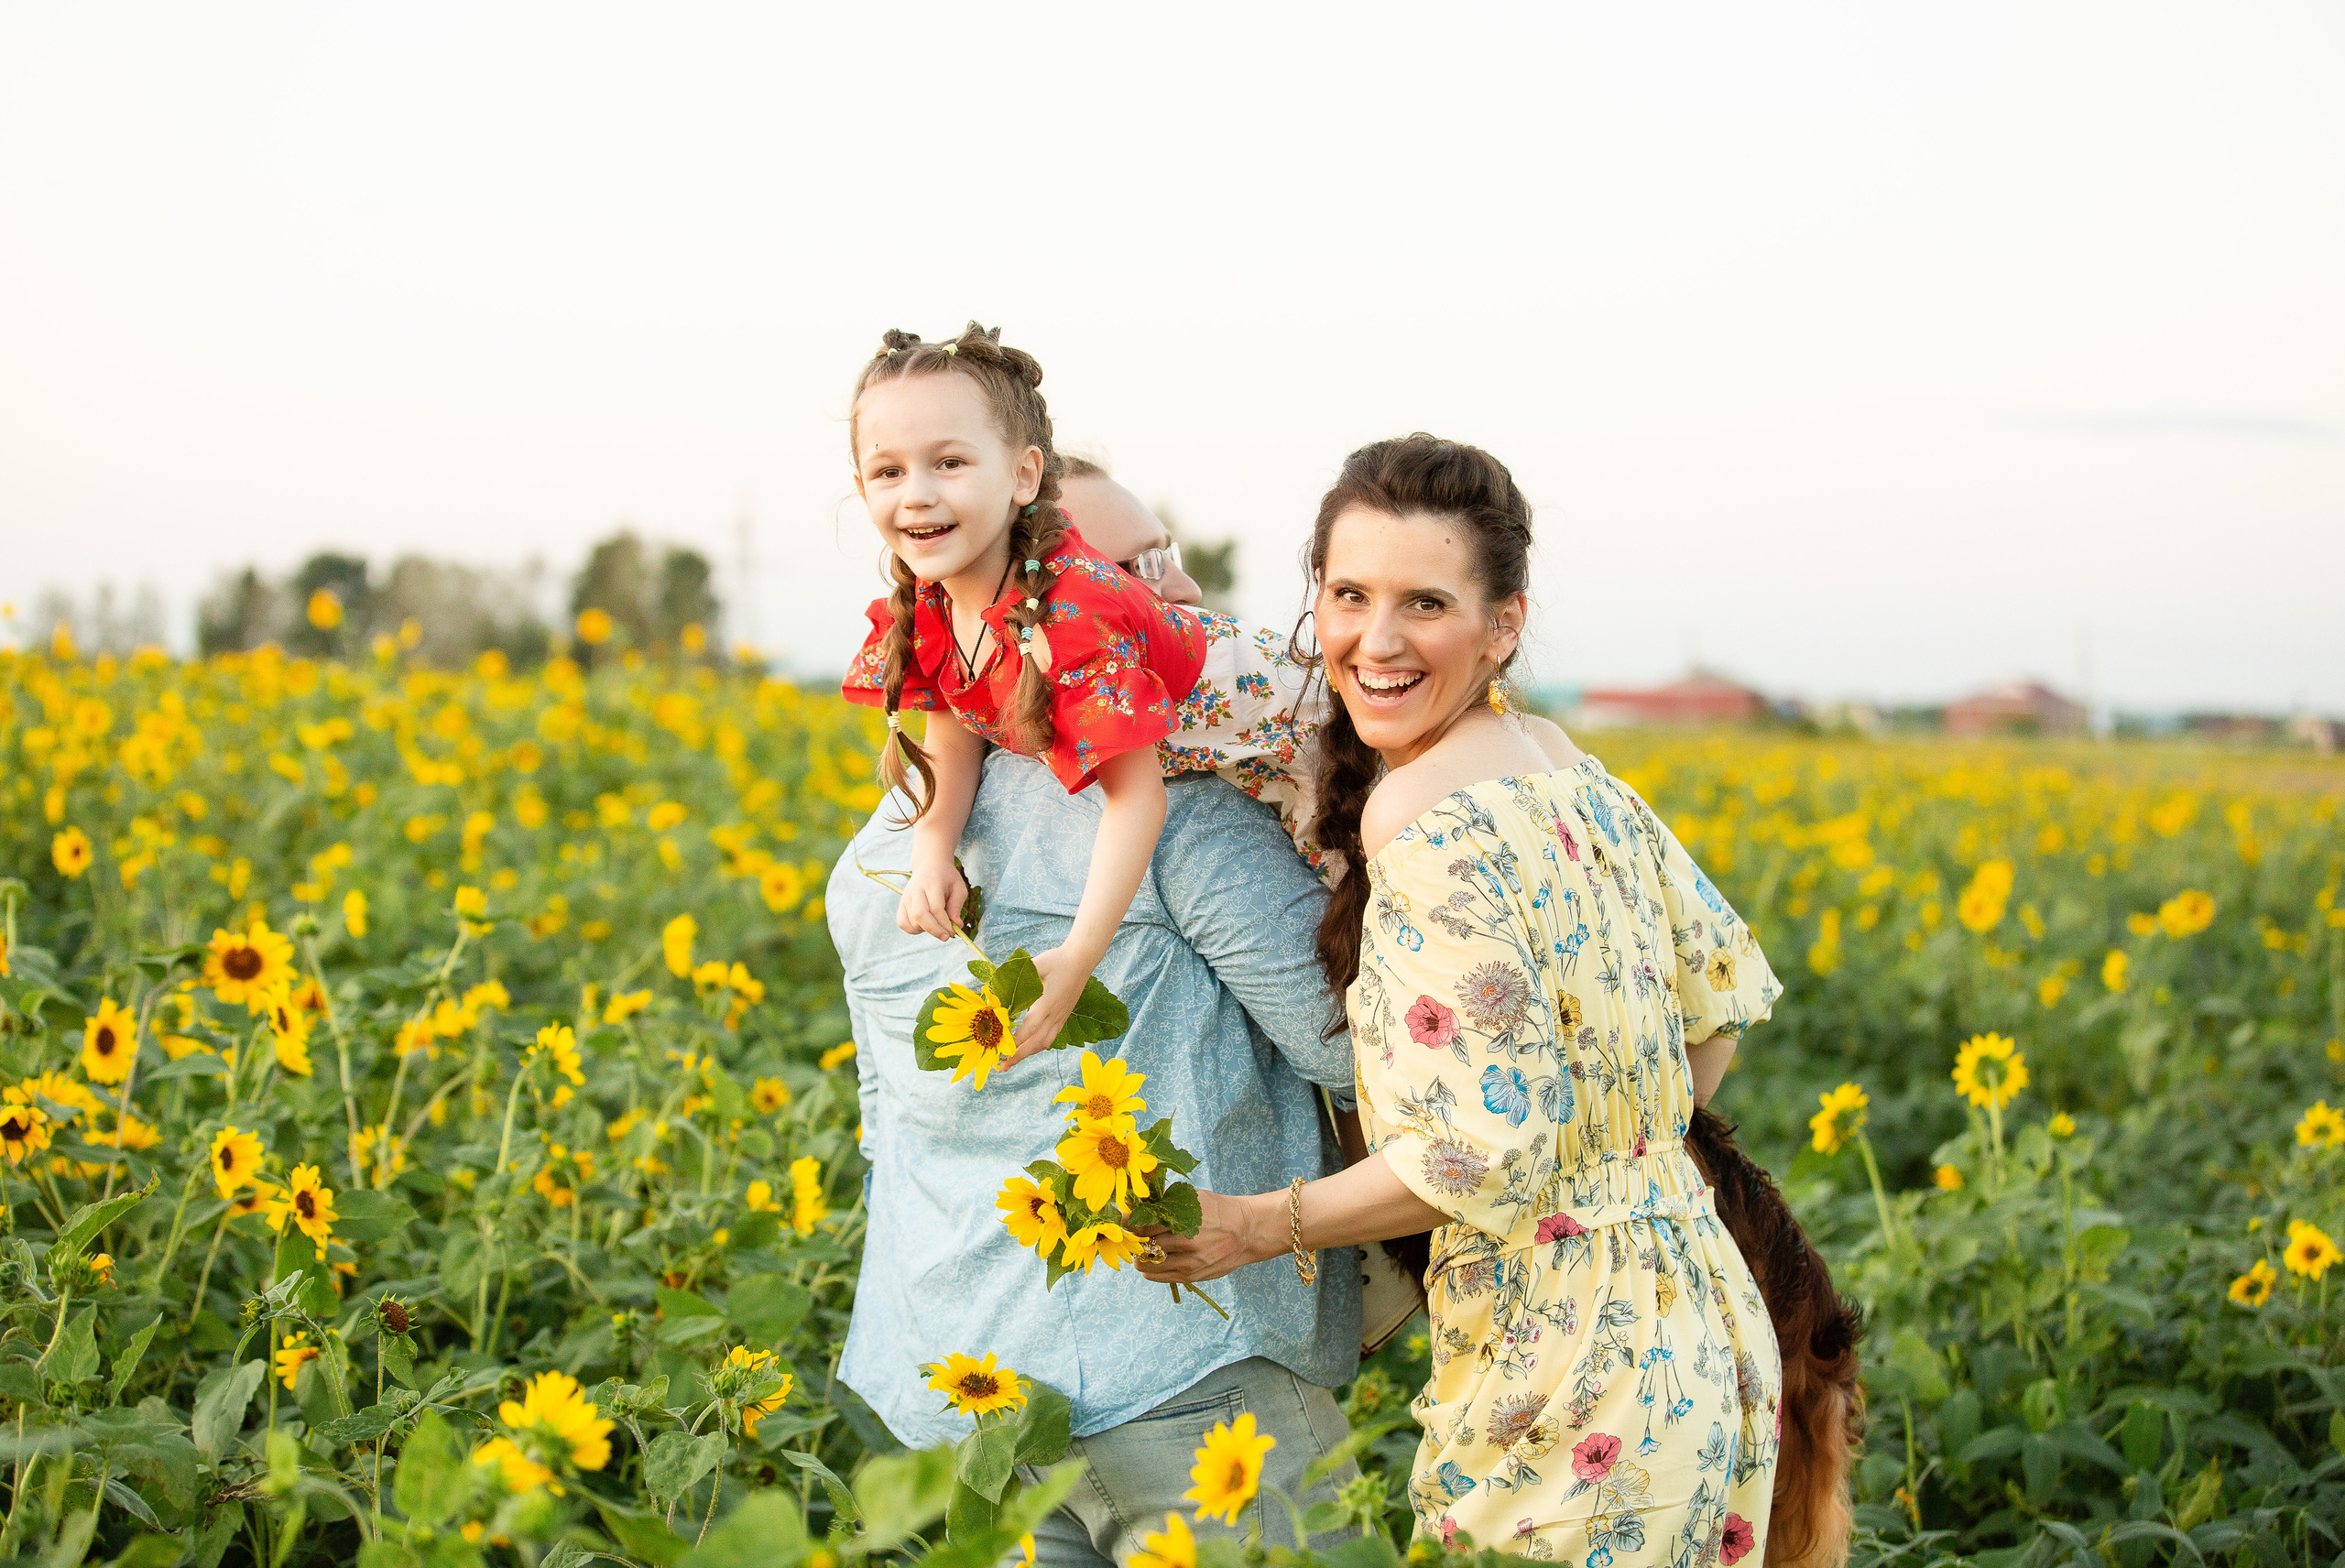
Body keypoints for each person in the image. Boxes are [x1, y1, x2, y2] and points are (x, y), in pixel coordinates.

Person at [1142, 434, 1793, 1563]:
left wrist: (1254, 1224)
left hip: (1569, 1360)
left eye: (1425, 602)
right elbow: (1715, 1005)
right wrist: (1615, 1153)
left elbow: (1470, 1158)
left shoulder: (1421, 812)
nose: (1375, 641)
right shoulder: (1561, 761)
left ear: (1502, 625)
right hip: (1702, 1314)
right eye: (1348, 595)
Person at [827, 474, 1365, 1564]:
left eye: (1164, 554)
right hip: (1183, 1379)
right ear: (1045, 603)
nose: (1179, 593)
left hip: (964, 1388)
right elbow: (1360, 1053)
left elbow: (884, 1118)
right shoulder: (1183, 815)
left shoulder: (878, 848)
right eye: (1133, 571)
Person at [837, 322, 1325, 1072]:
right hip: (1229, 762)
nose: (918, 494)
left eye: (950, 462)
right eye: (888, 471)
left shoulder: (1072, 611)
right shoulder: (931, 603)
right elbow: (955, 732)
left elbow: (1138, 799)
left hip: (1310, 737)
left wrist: (1077, 956)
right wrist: (933, 853)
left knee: (1362, 984)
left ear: (1025, 476)